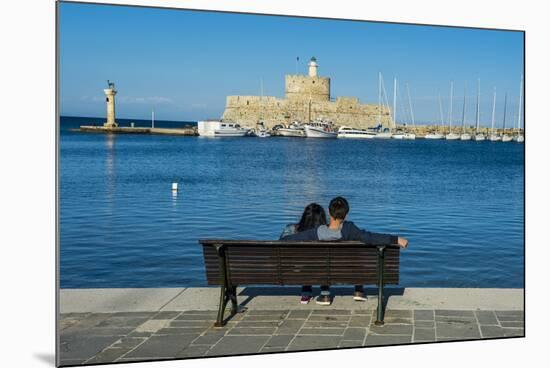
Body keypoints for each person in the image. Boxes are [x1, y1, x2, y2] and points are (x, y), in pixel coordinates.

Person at [281, 196, 408, 306]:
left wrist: (282, 239)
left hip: (323, 272)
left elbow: (291, 239)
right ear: (346, 215)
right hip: (346, 272)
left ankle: (324, 293)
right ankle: (359, 289)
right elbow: (370, 237)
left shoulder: (317, 232)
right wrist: (395, 239)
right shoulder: (349, 229)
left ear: (329, 213)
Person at [279, 203, 327, 304]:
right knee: (323, 260)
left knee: (304, 260)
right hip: (322, 269)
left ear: (304, 216)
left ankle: (306, 291)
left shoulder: (291, 229)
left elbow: (280, 244)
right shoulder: (328, 232)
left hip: (297, 271)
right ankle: (325, 291)